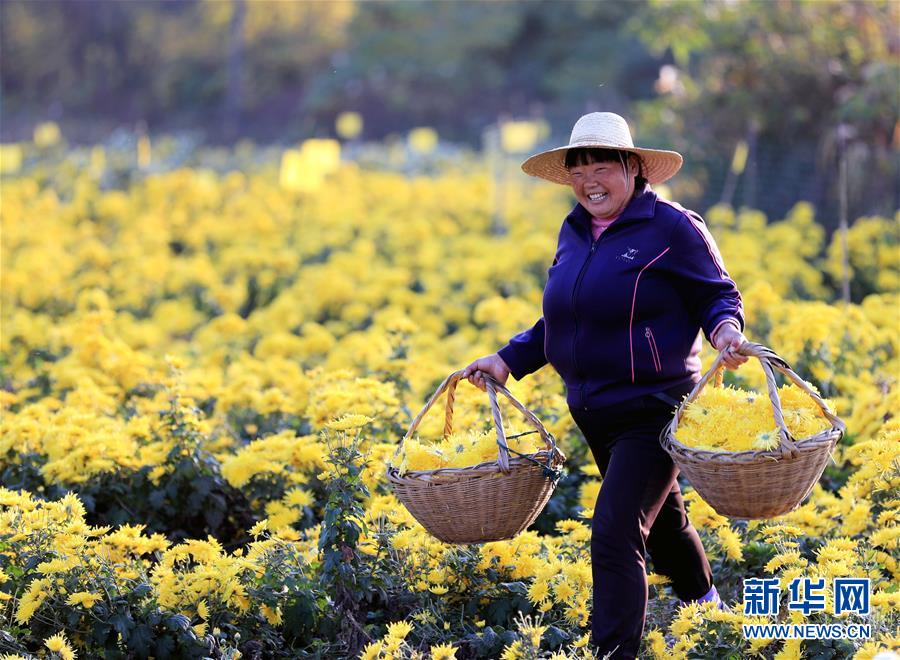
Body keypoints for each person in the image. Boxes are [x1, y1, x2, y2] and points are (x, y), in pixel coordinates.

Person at [462, 112, 747, 659]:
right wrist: (506, 359)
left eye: (603, 164)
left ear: (634, 168)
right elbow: (565, 318)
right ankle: (713, 617)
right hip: (594, 411)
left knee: (616, 533)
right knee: (663, 527)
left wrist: (725, 332)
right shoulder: (573, 233)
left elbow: (716, 293)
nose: (589, 178)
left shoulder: (672, 227)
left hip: (656, 408)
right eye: (578, 167)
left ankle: (613, 652)